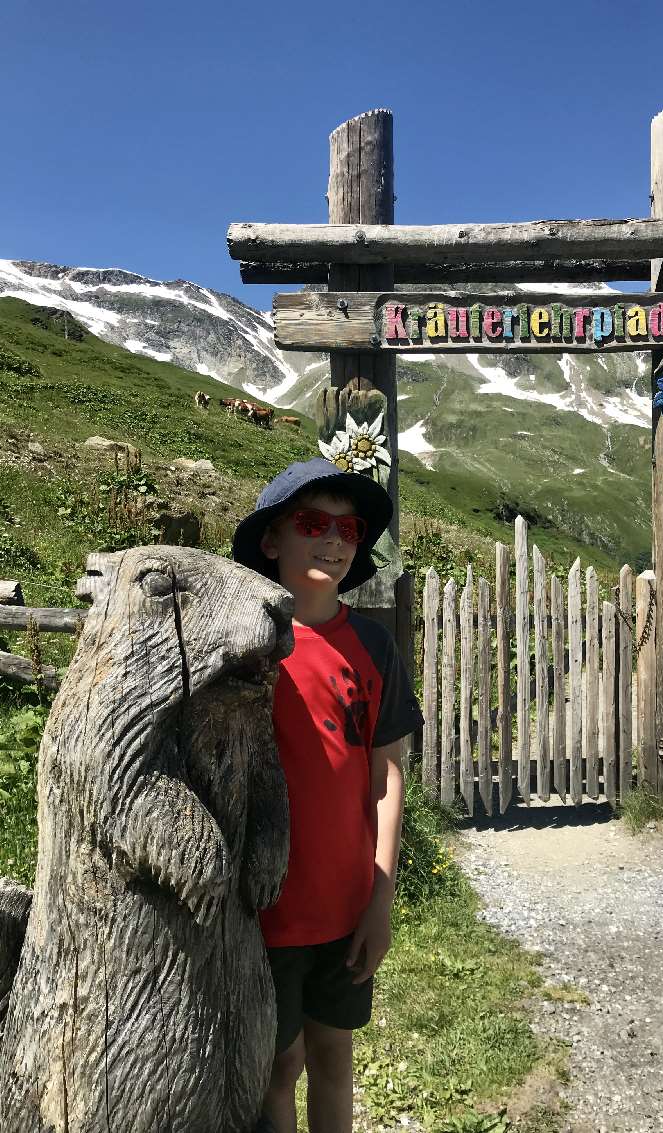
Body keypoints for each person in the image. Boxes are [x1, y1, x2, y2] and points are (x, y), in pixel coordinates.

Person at [232, 457, 423, 1133]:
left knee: (334, 1053)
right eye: (313, 521)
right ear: (272, 539)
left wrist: (381, 896)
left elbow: (387, 775)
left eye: (350, 527)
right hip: (264, 911)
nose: (335, 538)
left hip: (347, 905)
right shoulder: (244, 644)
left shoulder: (372, 645)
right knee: (277, 1067)